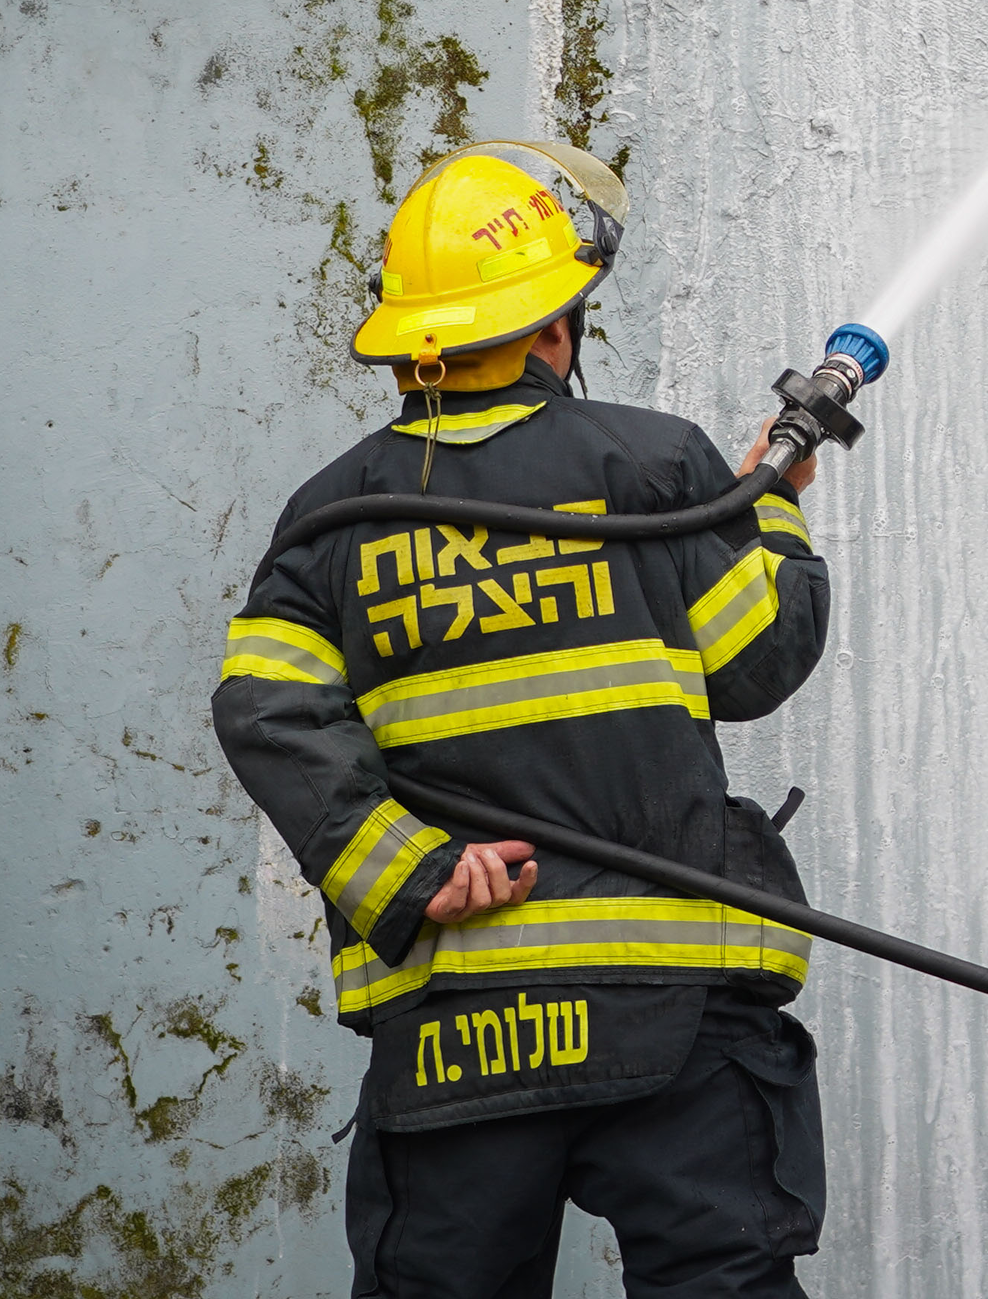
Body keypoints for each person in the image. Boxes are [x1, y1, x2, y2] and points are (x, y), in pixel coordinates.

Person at [213, 139, 836, 1297]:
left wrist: (406, 869)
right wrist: (777, 512)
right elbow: (759, 659)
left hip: (459, 1026)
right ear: (554, 329)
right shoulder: (652, 465)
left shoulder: (331, 520)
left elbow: (262, 704)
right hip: (670, 1004)